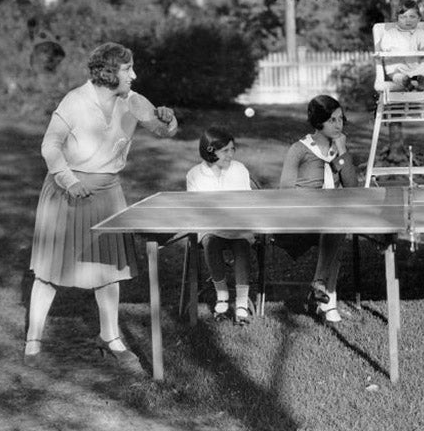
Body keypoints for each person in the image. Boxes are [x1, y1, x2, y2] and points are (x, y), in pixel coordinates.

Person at [25, 42, 178, 373]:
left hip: (108, 191)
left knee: (109, 272)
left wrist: (169, 119)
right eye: (127, 70)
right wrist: (69, 180)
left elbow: (164, 131)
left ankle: (110, 337)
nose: (134, 75)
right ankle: (33, 341)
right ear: (109, 73)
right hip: (68, 192)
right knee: (50, 272)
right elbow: (50, 145)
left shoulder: (133, 101)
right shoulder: (75, 102)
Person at [277, 95, 358, 323]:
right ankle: (326, 297)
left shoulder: (337, 149)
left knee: (336, 227)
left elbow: (352, 187)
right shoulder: (299, 150)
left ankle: (324, 296)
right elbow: (285, 191)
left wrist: (342, 152)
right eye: (332, 120)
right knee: (336, 227)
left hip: (329, 221)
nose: (338, 125)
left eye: (341, 119)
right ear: (318, 122)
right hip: (297, 221)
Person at [186, 126, 255, 325]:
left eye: (232, 149)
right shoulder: (194, 174)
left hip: (238, 227)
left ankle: (241, 302)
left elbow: (248, 202)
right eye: (225, 150)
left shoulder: (240, 169)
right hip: (211, 228)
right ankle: (222, 295)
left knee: (241, 244)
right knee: (210, 242)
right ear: (210, 151)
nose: (230, 154)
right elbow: (195, 209)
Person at [377, 0, 424, 92]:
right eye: (403, 17)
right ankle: (406, 82)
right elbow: (384, 48)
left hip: (416, 67)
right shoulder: (390, 34)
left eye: (412, 16)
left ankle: (420, 83)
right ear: (397, 19)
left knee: (423, 71)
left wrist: (423, 50)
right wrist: (392, 50)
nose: (408, 20)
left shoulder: (420, 33)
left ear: (419, 18)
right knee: (395, 75)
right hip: (398, 68)